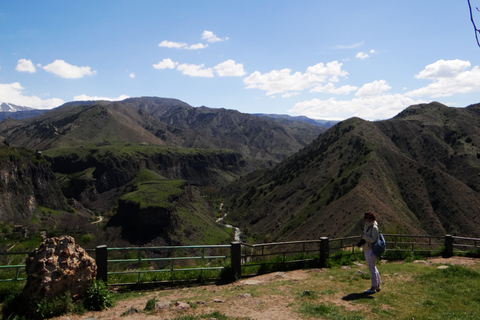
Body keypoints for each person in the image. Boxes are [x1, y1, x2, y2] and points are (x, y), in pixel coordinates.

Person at [361, 211, 382, 293]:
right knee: (373, 267)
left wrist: (364, 236)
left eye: (369, 218)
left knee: (372, 269)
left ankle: (373, 287)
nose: (367, 219)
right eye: (366, 217)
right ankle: (377, 285)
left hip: (370, 249)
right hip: (367, 248)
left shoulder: (373, 227)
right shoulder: (368, 225)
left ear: (372, 218)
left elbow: (373, 239)